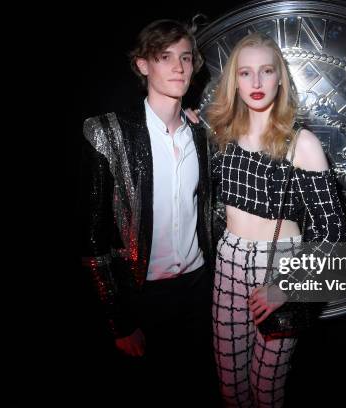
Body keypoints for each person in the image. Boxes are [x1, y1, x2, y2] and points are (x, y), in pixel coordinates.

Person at [79, 18, 219, 404]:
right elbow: (93, 236)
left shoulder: (203, 137)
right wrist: (119, 321)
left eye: (186, 58)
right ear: (143, 65)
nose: (178, 67)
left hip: (197, 289)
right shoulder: (108, 133)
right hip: (141, 296)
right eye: (164, 56)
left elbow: (213, 214)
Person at [206, 32, 346, 407]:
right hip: (228, 260)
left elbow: (333, 232)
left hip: (281, 263)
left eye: (266, 71)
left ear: (280, 78)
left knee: (266, 390)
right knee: (229, 386)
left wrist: (287, 286)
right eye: (245, 73)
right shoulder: (221, 136)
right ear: (234, 80)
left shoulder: (301, 143)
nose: (255, 83)